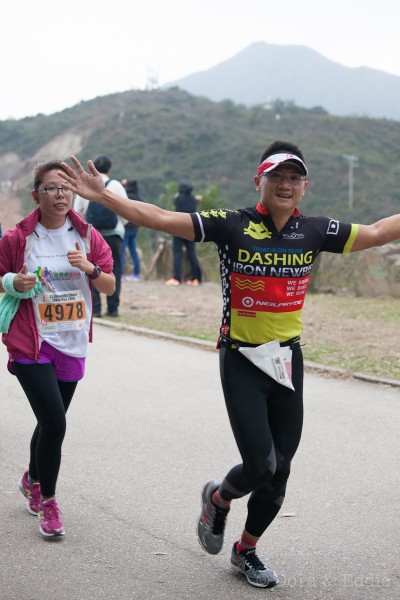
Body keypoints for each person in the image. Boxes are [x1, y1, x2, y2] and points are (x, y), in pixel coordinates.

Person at [59, 141, 400, 586]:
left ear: (305, 186)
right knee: (261, 466)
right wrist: (105, 197)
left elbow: (376, 232)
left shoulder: (315, 230)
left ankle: (246, 550)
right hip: (241, 359)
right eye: (276, 176)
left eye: (294, 178)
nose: (285, 185)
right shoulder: (231, 224)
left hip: (287, 360)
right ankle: (218, 499)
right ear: (258, 181)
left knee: (281, 471)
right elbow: (159, 217)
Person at [0, 160, 115, 538]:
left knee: (51, 420)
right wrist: (13, 281)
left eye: (66, 187)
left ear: (74, 193)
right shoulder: (18, 238)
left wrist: (89, 268)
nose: (60, 194)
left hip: (72, 340)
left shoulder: (88, 236)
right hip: (31, 342)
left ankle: (32, 477)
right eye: (51, 188)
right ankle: (47, 501)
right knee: (55, 421)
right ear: (36, 195)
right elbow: (0, 278)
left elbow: (110, 285)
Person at [74, 155, 127, 317]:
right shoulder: (116, 185)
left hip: (92, 236)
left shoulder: (85, 186)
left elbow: (77, 211)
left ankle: (95, 309)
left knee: (91, 269)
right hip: (113, 235)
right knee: (115, 269)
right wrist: (120, 225)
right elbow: (126, 210)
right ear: (109, 169)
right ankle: (113, 308)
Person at [165, 181, 202, 286]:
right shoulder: (193, 200)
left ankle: (177, 278)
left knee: (177, 253)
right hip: (191, 228)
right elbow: (195, 199)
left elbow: (175, 200)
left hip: (178, 228)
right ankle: (196, 278)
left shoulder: (178, 199)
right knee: (191, 253)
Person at [120, 179, 143, 282]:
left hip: (125, 228)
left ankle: (120, 274)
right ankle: (136, 274)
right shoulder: (139, 198)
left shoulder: (125, 197)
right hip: (134, 229)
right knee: (134, 251)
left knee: (122, 252)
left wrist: (122, 184)